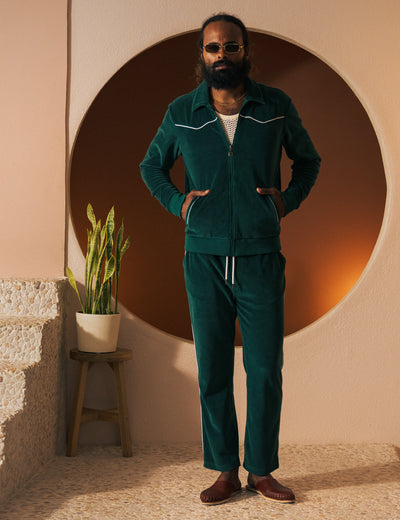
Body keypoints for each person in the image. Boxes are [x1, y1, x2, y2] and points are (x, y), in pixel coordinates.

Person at [140, 13, 321, 506]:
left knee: (265, 368)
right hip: (203, 259)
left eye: (231, 47)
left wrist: (285, 199)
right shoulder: (182, 111)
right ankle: (225, 470)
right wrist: (181, 204)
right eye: (213, 48)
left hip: (261, 257)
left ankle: (261, 470)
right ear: (202, 56)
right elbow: (151, 166)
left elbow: (309, 160)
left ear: (245, 52)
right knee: (213, 368)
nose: (223, 56)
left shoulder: (275, 106)